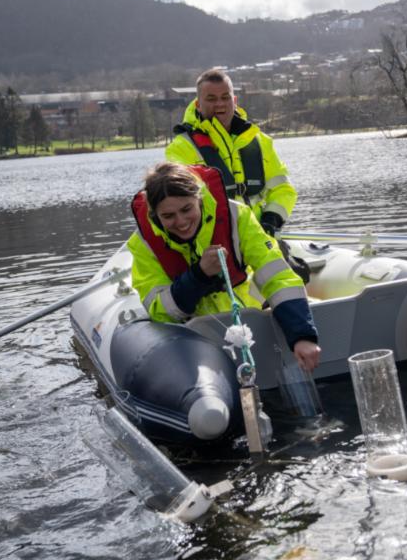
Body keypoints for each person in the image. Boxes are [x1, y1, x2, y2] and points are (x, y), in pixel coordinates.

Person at [128, 162, 321, 372]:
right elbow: (160, 312)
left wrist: (301, 335)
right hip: (192, 341)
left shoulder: (236, 216)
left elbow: (277, 275)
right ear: (155, 214)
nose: (181, 222)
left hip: (247, 323)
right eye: (168, 216)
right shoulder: (144, 245)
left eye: (187, 209)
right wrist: (199, 276)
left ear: (199, 198)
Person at [166, 68, 295, 238]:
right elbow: (183, 205)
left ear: (234, 100)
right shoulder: (181, 148)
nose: (220, 103)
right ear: (198, 104)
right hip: (215, 243)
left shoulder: (261, 141)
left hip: (261, 237)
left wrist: (271, 220)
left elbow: (283, 189)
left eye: (225, 97)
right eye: (211, 99)